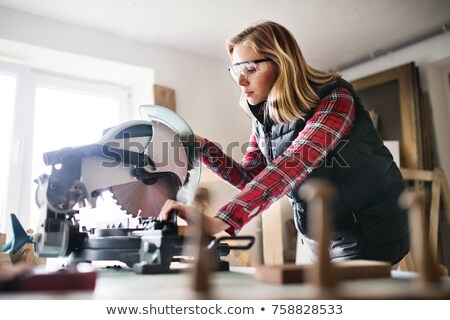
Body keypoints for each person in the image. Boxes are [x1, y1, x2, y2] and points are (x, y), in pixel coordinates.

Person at [159, 20, 410, 265]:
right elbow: (250, 178)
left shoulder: (335, 97)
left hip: (370, 227)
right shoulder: (264, 119)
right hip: (320, 233)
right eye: (236, 69)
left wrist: (221, 220)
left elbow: (295, 163)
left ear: (282, 63)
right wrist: (201, 146)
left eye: (250, 68)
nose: (240, 81)